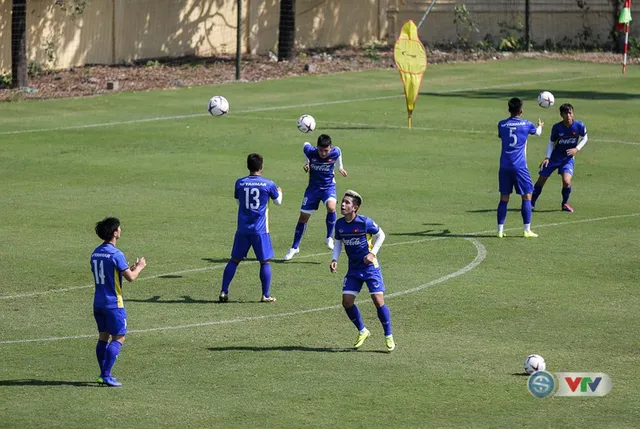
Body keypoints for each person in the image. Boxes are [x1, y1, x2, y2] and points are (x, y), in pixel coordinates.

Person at [329, 190, 395, 352]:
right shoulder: (339, 224)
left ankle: (388, 335)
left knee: (378, 301)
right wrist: (334, 259)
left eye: (347, 203)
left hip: (370, 268)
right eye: (342, 202)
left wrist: (372, 254)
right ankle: (362, 330)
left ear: (355, 208)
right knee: (347, 302)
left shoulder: (364, 223)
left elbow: (381, 235)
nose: (342, 205)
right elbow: (338, 242)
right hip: (354, 269)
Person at [219, 153, 283, 303]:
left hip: (242, 229)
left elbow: (238, 202)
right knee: (265, 262)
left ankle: (224, 291)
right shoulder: (268, 184)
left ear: (248, 166)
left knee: (234, 260)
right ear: (261, 167)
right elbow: (278, 202)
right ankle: (265, 295)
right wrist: (279, 192)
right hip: (260, 230)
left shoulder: (239, 183)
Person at [91, 217, 147, 387]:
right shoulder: (116, 254)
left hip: (98, 302)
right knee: (119, 337)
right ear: (115, 233)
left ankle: (103, 372)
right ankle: (105, 375)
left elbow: (109, 274)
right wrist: (139, 267)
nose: (121, 230)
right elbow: (130, 278)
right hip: (114, 304)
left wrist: (125, 269)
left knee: (103, 337)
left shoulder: (95, 253)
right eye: (119, 228)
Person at [283, 134, 347, 261]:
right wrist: (307, 162)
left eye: (326, 150)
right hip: (313, 189)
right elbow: (305, 144)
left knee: (331, 206)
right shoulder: (310, 151)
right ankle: (295, 247)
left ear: (330, 148)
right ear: (316, 147)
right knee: (303, 217)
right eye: (321, 150)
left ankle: (329, 237)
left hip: (328, 186)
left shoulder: (335, 152)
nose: (323, 153)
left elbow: (339, 153)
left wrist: (340, 167)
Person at [496, 97, 544, 238]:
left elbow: (501, 136)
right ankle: (526, 230)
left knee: (504, 198)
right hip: (520, 166)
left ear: (509, 110)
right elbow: (538, 132)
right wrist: (540, 125)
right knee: (527, 196)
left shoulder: (501, 124)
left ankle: (499, 230)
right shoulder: (526, 124)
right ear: (521, 111)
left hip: (504, 166)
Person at [531, 103, 588, 213]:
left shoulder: (579, 125)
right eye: (566, 113)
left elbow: (585, 138)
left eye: (570, 112)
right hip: (554, 158)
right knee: (542, 179)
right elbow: (551, 142)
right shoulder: (557, 127)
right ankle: (531, 203)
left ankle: (565, 203)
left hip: (567, 159)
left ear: (573, 113)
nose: (568, 115)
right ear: (561, 114)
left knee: (567, 182)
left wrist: (577, 149)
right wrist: (547, 157)